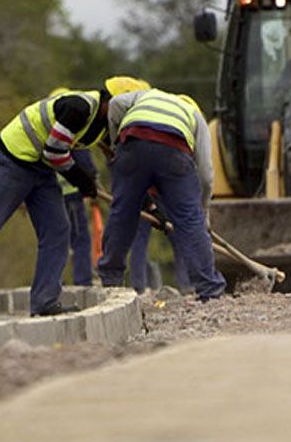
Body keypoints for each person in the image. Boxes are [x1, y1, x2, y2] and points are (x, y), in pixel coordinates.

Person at [0, 76, 150, 319]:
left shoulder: (104, 124)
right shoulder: (79, 108)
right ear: (113, 101)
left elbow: (117, 162)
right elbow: (55, 150)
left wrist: (142, 199)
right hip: (15, 160)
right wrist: (82, 181)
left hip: (42, 168)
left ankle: (44, 300)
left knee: (58, 231)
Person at [97, 88, 226, 301]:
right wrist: (202, 213)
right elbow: (205, 175)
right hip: (173, 153)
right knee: (189, 220)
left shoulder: (145, 95)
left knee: (123, 212)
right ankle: (209, 289)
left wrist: (115, 143)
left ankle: (111, 280)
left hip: (133, 146)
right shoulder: (194, 115)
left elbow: (116, 104)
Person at [60, 148, 97, 286]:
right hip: (72, 192)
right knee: (81, 238)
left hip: (52, 194)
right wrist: (91, 179)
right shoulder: (72, 131)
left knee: (56, 239)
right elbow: (82, 157)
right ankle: (83, 281)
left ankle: (54, 281)